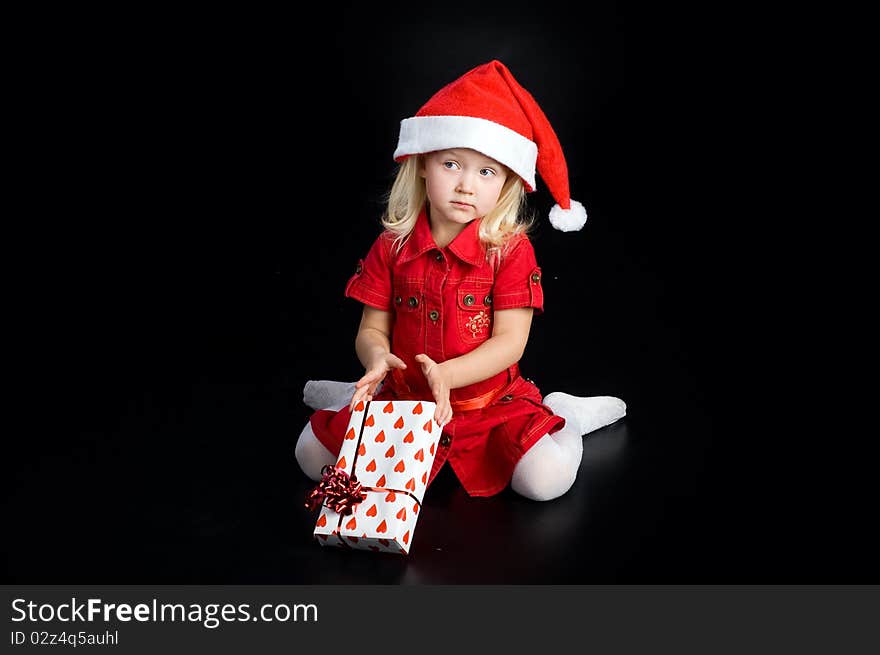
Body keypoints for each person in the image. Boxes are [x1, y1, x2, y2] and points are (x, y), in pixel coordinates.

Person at [295, 60, 626, 501]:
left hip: (486, 408)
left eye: (485, 172)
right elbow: (372, 328)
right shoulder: (391, 246)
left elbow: (510, 342)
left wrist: (450, 374)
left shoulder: (509, 250)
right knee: (309, 455)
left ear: (506, 183)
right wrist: (375, 359)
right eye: (452, 164)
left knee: (545, 483)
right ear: (424, 166)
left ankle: (562, 413)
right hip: (403, 402)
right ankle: (348, 398)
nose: (466, 186)